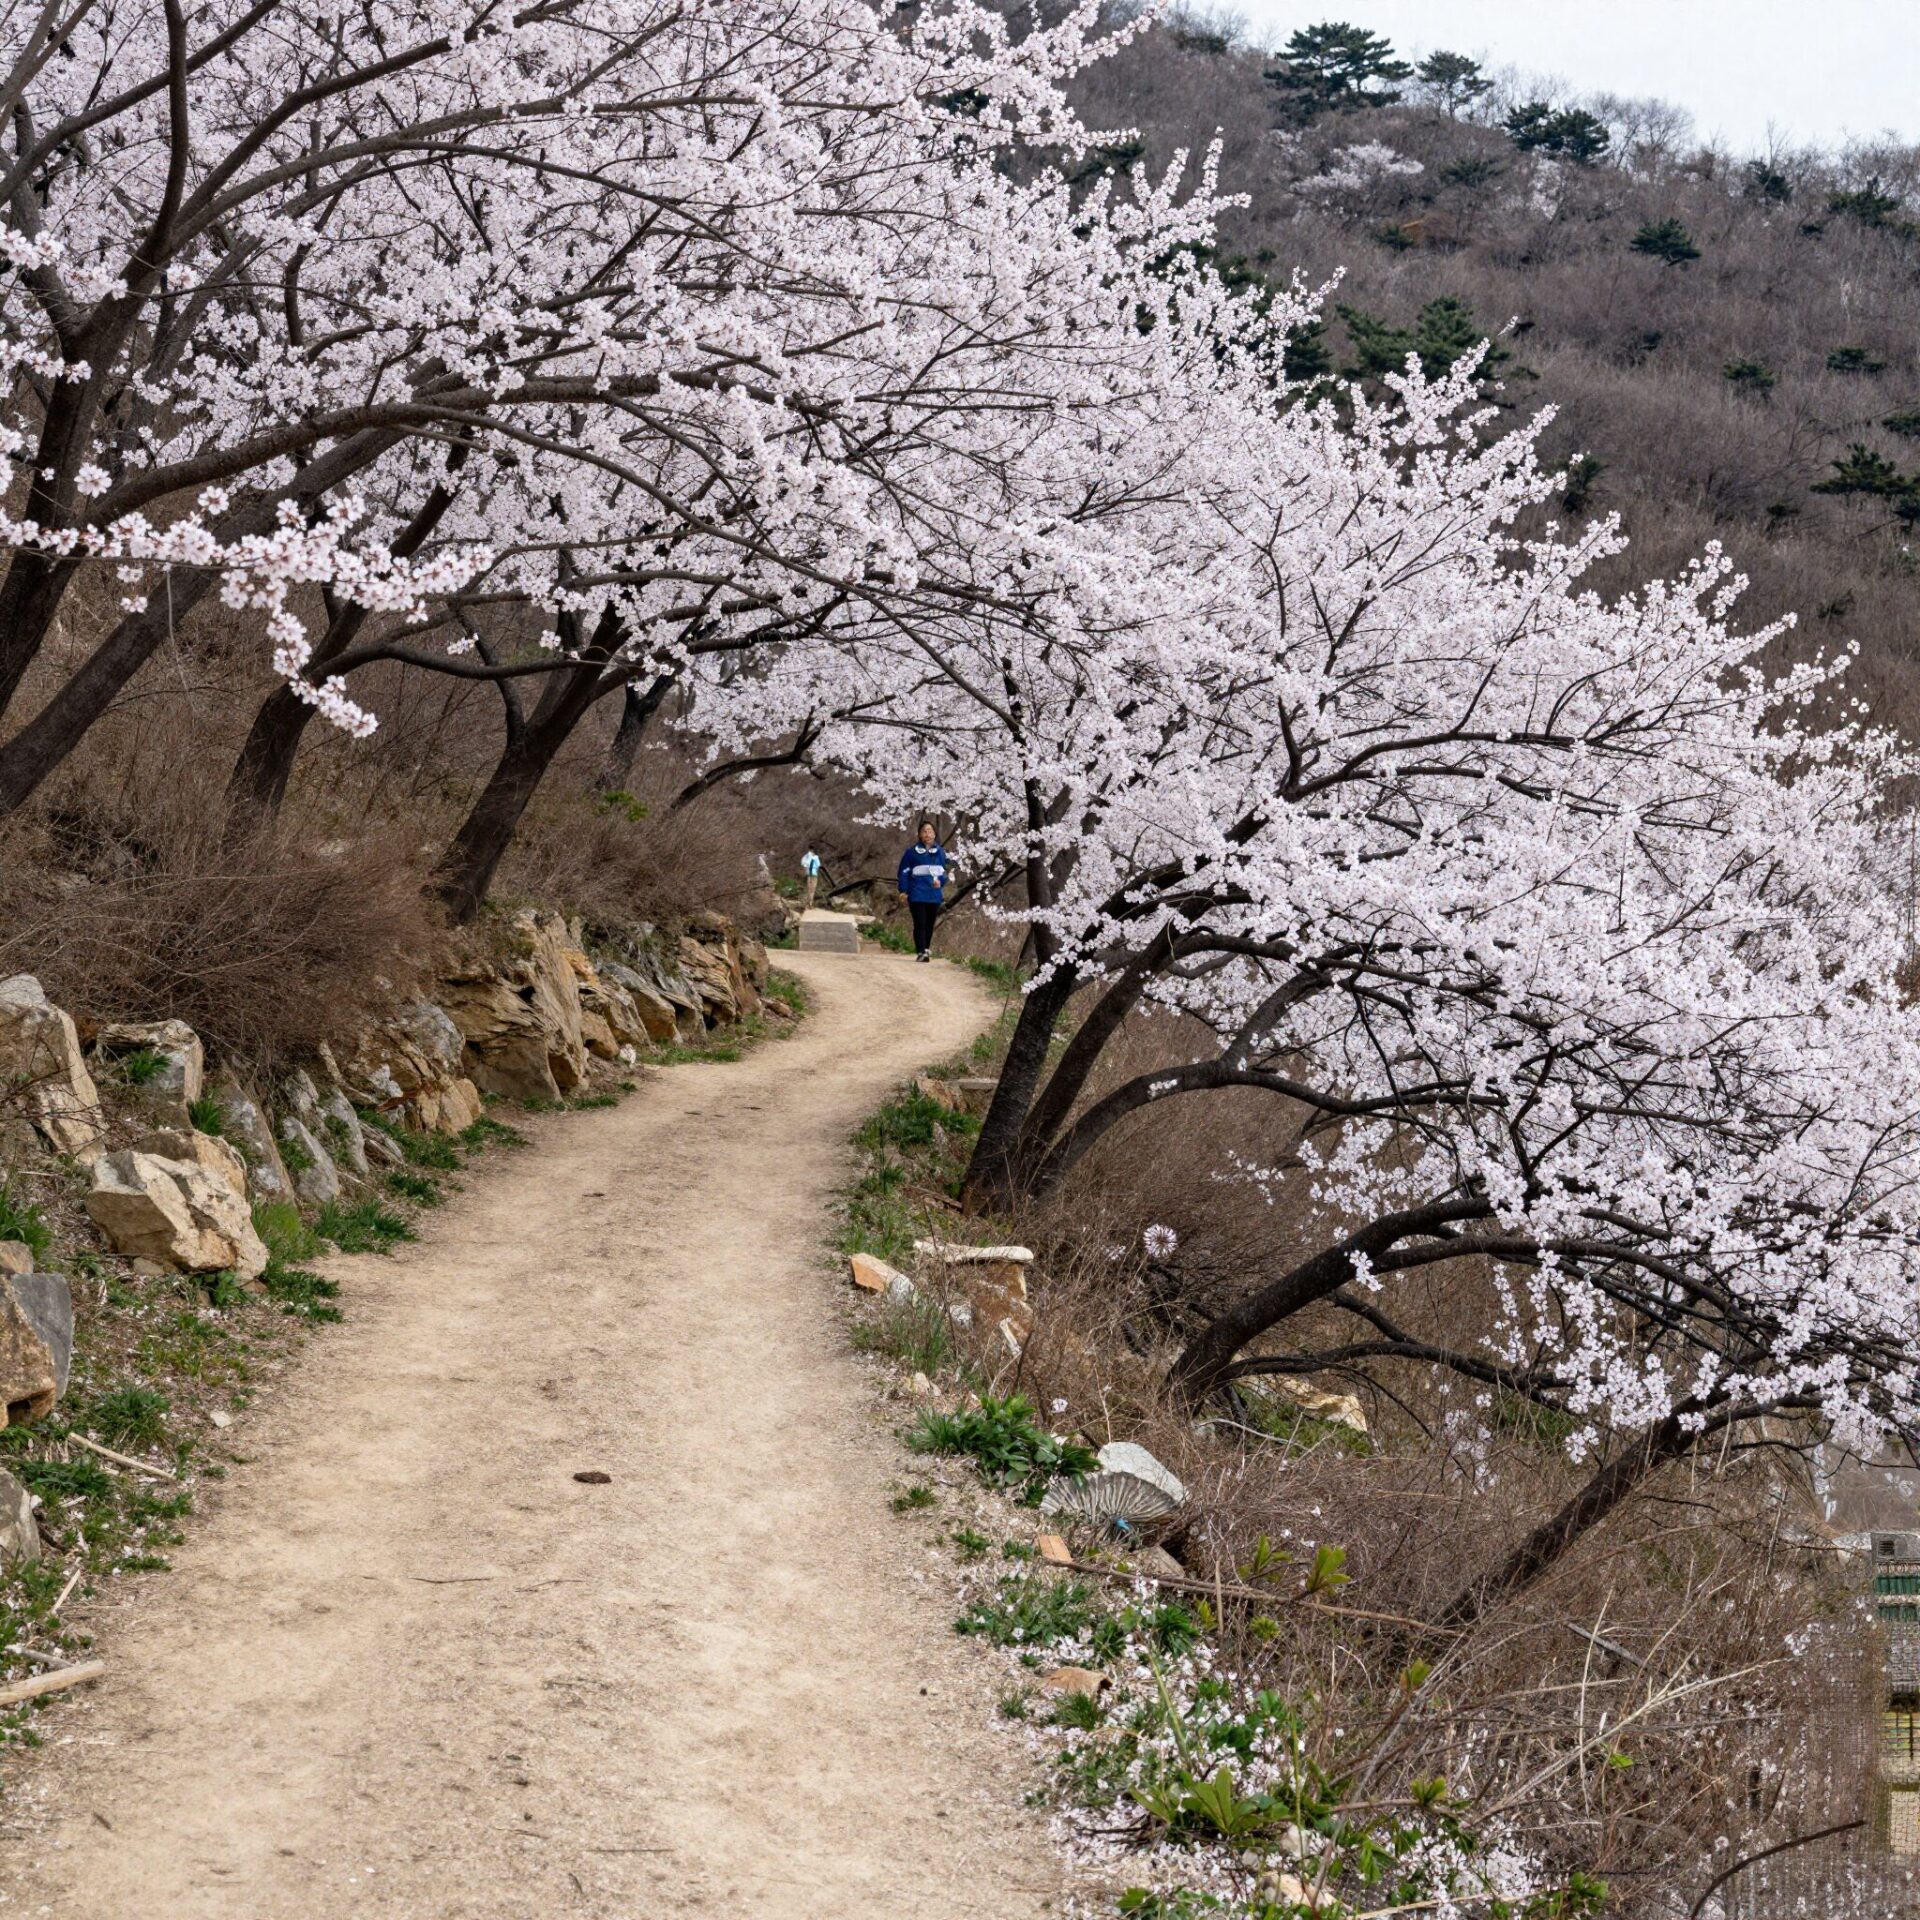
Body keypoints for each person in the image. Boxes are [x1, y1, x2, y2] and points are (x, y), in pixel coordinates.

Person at [897, 822, 950, 961]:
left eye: (930, 831)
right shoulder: (911, 852)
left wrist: (941, 881)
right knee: (920, 922)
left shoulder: (940, 852)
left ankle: (926, 948)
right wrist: (903, 890)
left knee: (929, 923)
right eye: (924, 831)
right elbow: (903, 872)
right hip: (917, 893)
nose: (928, 834)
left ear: (934, 834)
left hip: (934, 894)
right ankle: (921, 951)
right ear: (920, 834)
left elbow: (945, 872)